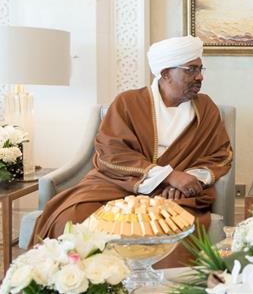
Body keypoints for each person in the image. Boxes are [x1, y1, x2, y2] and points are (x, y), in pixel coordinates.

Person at [31, 36, 233, 267]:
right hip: (118, 184)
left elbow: (220, 155)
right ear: (165, 73)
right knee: (73, 218)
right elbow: (110, 152)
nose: (200, 76)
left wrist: (186, 183)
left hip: (175, 197)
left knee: (176, 232)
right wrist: (169, 176)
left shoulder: (205, 108)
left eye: (200, 68)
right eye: (191, 69)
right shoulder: (128, 102)